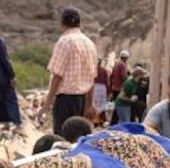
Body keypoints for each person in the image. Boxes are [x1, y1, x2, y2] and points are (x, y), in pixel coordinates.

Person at [40, 7, 98, 136]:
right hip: (82, 100)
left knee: (62, 140)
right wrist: (90, 104)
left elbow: (57, 75)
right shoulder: (89, 44)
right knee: (79, 139)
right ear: (79, 23)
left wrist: (47, 104)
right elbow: (91, 77)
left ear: (62, 23)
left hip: (66, 101)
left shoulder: (64, 42)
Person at [108, 50, 129, 122]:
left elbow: (111, 76)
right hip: (119, 88)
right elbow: (123, 77)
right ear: (126, 58)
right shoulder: (122, 65)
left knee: (116, 106)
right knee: (119, 106)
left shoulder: (116, 64)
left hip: (114, 87)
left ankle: (114, 121)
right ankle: (114, 122)